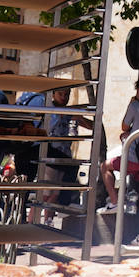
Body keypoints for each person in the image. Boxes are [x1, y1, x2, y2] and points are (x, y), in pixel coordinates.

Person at [98, 76, 139, 245]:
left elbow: (125, 126)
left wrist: (131, 104)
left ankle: (114, 201)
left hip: (133, 157)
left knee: (105, 166)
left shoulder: (135, 105)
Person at [29, 87, 93, 225]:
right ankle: (31, 223)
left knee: (55, 194)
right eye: (60, 94)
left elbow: (92, 125)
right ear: (53, 95)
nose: (64, 97)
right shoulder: (50, 110)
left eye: (67, 94)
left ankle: (48, 221)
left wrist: (79, 117)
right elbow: (46, 128)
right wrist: (61, 116)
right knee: (44, 194)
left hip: (64, 156)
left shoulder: (70, 112)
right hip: (49, 156)